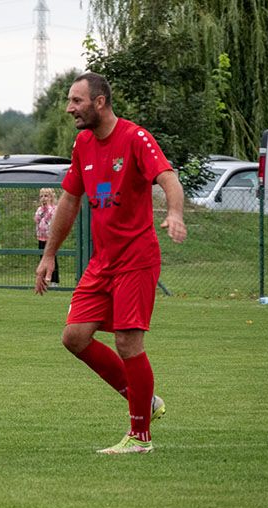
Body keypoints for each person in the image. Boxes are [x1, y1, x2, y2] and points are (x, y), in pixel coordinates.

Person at [35, 72, 187, 455]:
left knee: (126, 340)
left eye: (76, 101)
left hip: (136, 258)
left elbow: (168, 178)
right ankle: (145, 399)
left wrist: (175, 213)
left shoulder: (136, 138)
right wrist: (49, 254)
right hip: (102, 262)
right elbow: (69, 200)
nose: (70, 108)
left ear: (99, 102)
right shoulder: (83, 143)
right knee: (74, 337)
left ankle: (140, 438)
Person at [34, 188, 59, 285]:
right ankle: (43, 279)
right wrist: (42, 210)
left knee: (52, 258)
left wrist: (47, 208)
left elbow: (52, 219)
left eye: (46, 196)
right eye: (41, 196)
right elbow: (36, 219)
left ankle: (54, 280)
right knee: (42, 258)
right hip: (41, 236)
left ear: (51, 197)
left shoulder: (54, 208)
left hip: (51, 237)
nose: (43, 199)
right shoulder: (40, 209)